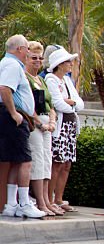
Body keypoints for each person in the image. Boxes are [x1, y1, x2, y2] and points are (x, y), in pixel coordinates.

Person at [0, 34, 46, 219]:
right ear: (19, 49)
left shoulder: (8, 63)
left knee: (15, 160)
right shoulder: (12, 65)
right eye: (27, 48)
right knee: (26, 160)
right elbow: (4, 88)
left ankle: (12, 203)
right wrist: (14, 113)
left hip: (12, 117)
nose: (28, 52)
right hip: (12, 118)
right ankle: (25, 203)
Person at [44, 47, 84, 214]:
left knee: (67, 164)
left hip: (70, 126)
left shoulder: (67, 80)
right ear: (59, 64)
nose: (71, 64)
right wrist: (70, 103)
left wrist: (71, 102)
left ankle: (59, 199)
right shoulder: (51, 79)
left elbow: (80, 103)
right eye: (68, 61)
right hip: (59, 128)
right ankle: (50, 199)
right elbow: (58, 104)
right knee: (57, 163)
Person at [25, 41, 61, 216]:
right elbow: (27, 104)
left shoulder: (41, 79)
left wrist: (52, 122)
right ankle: (40, 201)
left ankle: (47, 199)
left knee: (47, 160)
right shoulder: (25, 77)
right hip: (35, 123)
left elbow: (51, 104)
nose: (37, 61)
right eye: (34, 58)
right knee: (38, 161)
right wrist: (40, 123)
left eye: (40, 58)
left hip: (48, 122)